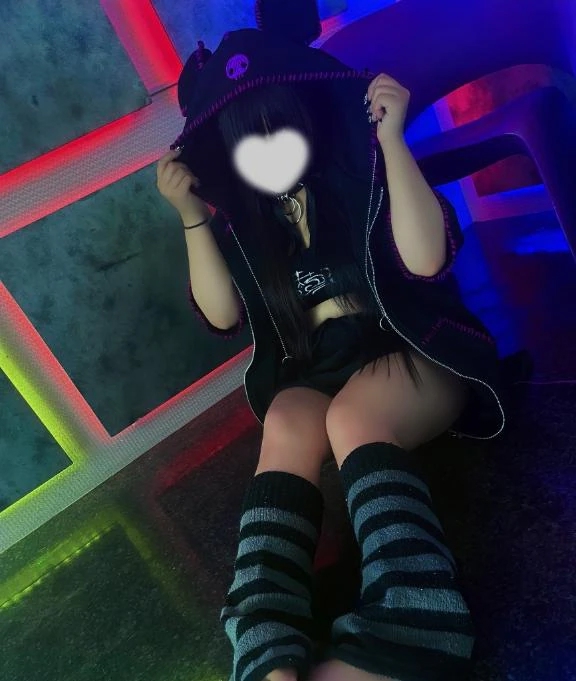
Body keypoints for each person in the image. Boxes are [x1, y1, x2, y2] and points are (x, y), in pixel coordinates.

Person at [157, 28, 506, 681]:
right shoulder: (247, 220)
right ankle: (265, 638)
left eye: (279, 126)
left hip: (410, 344)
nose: (269, 147)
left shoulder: (356, 171)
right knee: (287, 422)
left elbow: (426, 259)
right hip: (317, 363)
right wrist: (191, 215)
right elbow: (222, 315)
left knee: (353, 418)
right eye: (250, 138)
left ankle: (421, 624)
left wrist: (391, 141)